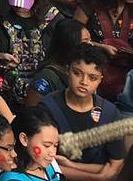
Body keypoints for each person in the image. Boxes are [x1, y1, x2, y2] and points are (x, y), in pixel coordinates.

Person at [35, 43, 126, 180]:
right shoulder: (48, 108)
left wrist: (72, 165)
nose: (84, 82)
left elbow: (116, 165)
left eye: (92, 78)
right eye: (77, 73)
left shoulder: (110, 113)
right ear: (67, 70)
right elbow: (40, 162)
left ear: (100, 80)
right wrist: (95, 177)